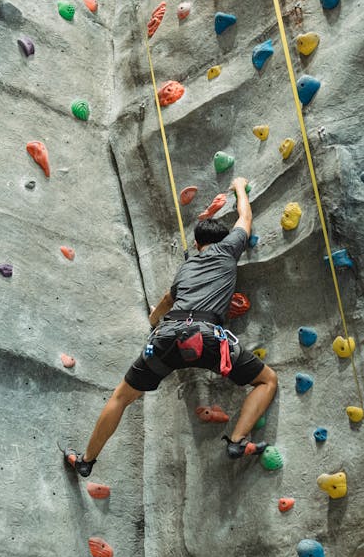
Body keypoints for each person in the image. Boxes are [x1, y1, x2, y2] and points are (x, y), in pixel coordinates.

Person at [66, 177, 279, 476]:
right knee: (267, 380)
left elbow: (167, 299)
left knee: (121, 397)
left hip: (167, 336)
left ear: (196, 244)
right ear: (223, 241)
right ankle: (237, 440)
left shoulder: (186, 266)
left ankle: (86, 460)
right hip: (208, 339)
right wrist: (240, 187)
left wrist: (154, 319)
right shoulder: (229, 249)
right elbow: (245, 217)